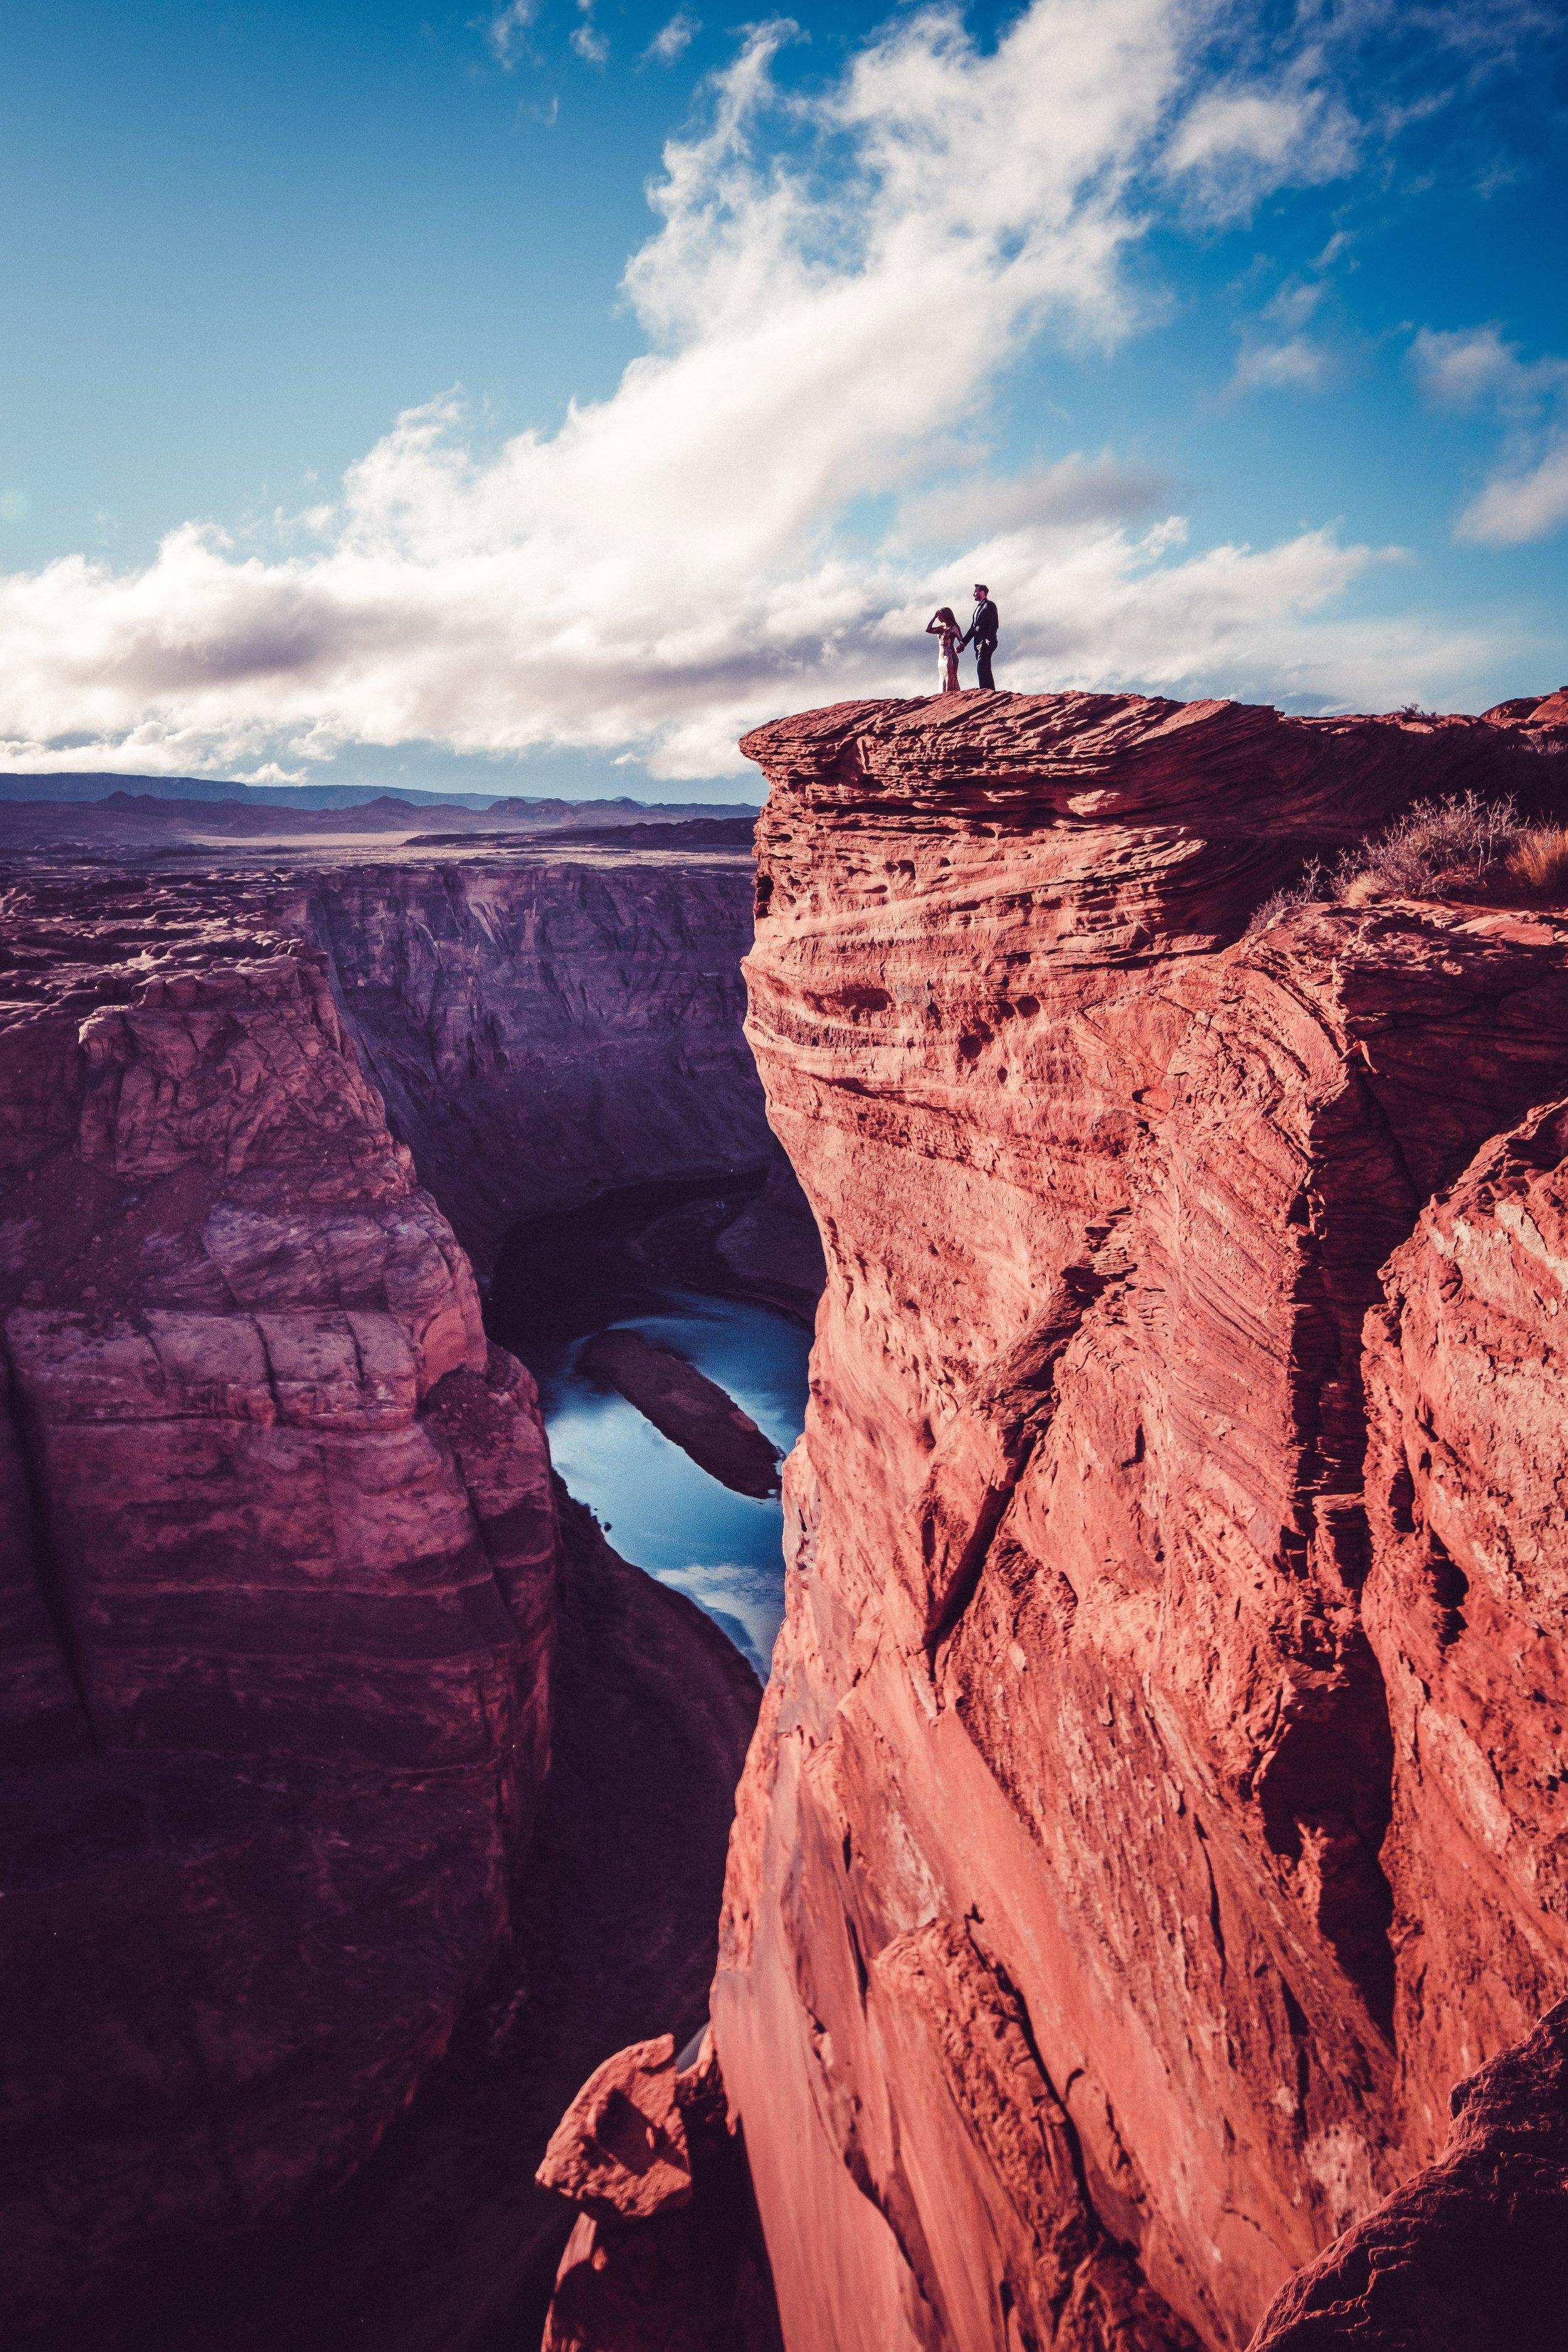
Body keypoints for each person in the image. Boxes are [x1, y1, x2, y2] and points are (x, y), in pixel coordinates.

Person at [960, 583, 999, 689]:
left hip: (986, 642)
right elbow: (973, 628)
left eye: (975, 591)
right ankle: (989, 690)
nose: (974, 594)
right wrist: (963, 643)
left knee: (982, 667)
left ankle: (985, 691)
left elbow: (994, 623)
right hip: (978, 644)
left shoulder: (990, 605)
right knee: (985, 667)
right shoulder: (979, 608)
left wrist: (989, 638)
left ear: (982, 592)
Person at [925, 605, 963, 693]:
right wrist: (934, 618)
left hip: (950, 656)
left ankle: (952, 695)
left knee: (950, 677)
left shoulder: (954, 628)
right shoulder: (940, 628)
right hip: (941, 657)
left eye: (941, 616)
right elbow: (928, 629)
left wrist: (960, 647)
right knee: (942, 676)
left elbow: (962, 640)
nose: (939, 618)